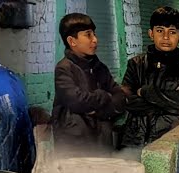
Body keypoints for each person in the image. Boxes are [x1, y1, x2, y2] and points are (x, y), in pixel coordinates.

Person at [51, 13, 126, 147]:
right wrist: (103, 96)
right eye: (88, 35)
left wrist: (99, 111)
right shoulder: (64, 68)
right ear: (72, 41)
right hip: (75, 145)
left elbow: (120, 97)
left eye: (94, 34)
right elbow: (76, 101)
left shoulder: (100, 68)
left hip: (102, 143)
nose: (95, 40)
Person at [118, 6, 179, 148]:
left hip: (167, 142)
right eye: (160, 31)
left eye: (172, 32)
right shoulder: (136, 64)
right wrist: (163, 105)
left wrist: (146, 92)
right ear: (151, 34)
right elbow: (126, 100)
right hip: (134, 140)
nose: (166, 37)